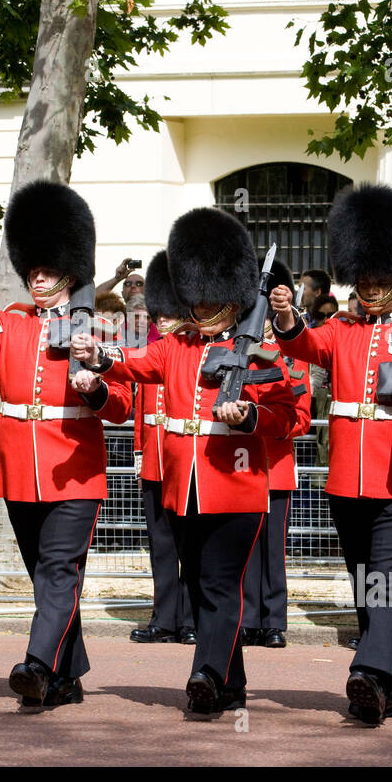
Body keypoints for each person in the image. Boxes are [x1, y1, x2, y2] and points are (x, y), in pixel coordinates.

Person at [74, 208, 298, 714]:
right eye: (194, 294)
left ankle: (206, 672)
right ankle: (231, 682)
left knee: (220, 582)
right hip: (184, 485)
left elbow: (287, 414)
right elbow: (138, 365)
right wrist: (98, 357)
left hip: (236, 482)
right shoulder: (177, 345)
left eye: (208, 295)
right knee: (200, 583)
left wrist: (249, 418)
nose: (199, 304)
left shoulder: (260, 350)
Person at [0, 180, 132, 709]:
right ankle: (67, 675)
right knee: (47, 575)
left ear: (68, 273)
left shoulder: (100, 325)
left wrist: (97, 385)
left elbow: (123, 406)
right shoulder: (15, 319)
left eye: (46, 272)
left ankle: (37, 665)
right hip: (19, 464)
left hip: (73, 466)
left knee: (59, 570)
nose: (37, 280)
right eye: (32, 271)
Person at [269, 185, 392, 725]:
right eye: (365, 279)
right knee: (362, 582)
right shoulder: (344, 331)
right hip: (346, 481)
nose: (371, 288)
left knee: (389, 578)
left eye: (381, 280)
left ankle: (369, 671)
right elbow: (305, 345)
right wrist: (286, 318)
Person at [242, 260, 315, 649]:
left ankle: (273, 620)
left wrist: (265, 421)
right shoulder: (237, 347)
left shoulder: (291, 355)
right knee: (245, 546)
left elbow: (302, 418)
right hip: (239, 466)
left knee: (272, 549)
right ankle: (248, 617)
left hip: (275, 465)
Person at [126, 250, 194, 646]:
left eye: (169, 314)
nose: (162, 320)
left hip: (183, 461)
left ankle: (190, 619)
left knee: (190, 545)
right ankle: (164, 618)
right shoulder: (153, 351)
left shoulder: (188, 352)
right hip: (154, 460)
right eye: (159, 314)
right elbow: (141, 411)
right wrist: (139, 453)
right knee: (161, 544)